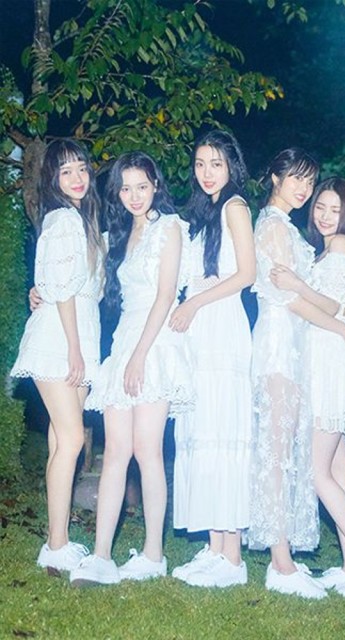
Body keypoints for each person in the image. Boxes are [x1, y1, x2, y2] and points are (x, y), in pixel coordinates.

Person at [70, 152, 193, 586]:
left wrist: (141, 355)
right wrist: (40, 292)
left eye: (142, 186)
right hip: (124, 341)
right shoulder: (119, 235)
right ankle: (101, 555)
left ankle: (154, 553)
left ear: (156, 186)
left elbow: (165, 295)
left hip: (155, 343)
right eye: (126, 188)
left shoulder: (170, 228)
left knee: (147, 450)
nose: (134, 195)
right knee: (116, 451)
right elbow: (80, 279)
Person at [249, 149, 345, 599]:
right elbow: (287, 299)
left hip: (296, 348)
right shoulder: (273, 226)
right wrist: (340, 327)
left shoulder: (288, 227)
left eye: (309, 181)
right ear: (275, 177)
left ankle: (292, 557)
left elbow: (310, 295)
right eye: (296, 178)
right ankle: (281, 564)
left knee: (290, 452)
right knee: (276, 453)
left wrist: (333, 319)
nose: (303, 188)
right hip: (278, 345)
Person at [269, 177, 345, 597]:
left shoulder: (341, 247)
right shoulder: (324, 249)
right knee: (337, 470)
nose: (325, 215)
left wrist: (297, 285)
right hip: (325, 358)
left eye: (335, 209)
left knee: (316, 472)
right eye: (320, 207)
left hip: (329, 362)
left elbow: (333, 307)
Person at [11, 139, 105, 571]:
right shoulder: (64, 219)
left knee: (59, 439)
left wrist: (39, 292)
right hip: (62, 341)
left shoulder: (82, 220)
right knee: (71, 440)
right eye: (66, 171)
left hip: (76, 335)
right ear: (53, 178)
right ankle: (55, 544)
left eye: (81, 168)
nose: (77, 177)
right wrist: (74, 350)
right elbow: (64, 291)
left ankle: (58, 537)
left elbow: (58, 283)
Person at [170, 130, 255, 588]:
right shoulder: (203, 212)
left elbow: (246, 273)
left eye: (216, 164)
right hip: (201, 331)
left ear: (231, 166)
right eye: (201, 163)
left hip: (223, 325)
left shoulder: (235, 207)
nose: (207, 172)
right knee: (202, 431)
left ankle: (233, 557)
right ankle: (214, 545)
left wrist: (196, 302)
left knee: (224, 431)